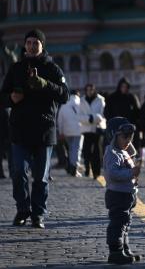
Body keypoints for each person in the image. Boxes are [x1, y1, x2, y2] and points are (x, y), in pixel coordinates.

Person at [0, 29, 69, 228]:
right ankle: (23, 210)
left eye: (35, 43)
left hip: (44, 130)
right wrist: (11, 99)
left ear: (42, 45)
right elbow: (2, 96)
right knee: (18, 172)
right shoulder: (16, 68)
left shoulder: (52, 68)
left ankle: (38, 214)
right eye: (28, 42)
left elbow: (64, 94)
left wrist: (45, 84)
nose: (31, 46)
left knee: (41, 176)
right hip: (20, 130)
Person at [103, 117, 141, 265]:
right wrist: (132, 173)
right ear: (114, 136)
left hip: (127, 195)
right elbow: (113, 174)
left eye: (130, 137)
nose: (128, 140)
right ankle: (115, 251)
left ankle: (124, 247)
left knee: (126, 222)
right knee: (118, 223)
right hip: (117, 195)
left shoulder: (124, 151)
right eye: (125, 137)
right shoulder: (112, 153)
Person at [104, 77, 141, 152]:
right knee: (116, 149)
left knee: (129, 150)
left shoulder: (132, 98)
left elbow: (137, 113)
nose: (124, 88)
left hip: (129, 129)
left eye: (125, 86)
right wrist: (112, 123)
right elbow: (107, 112)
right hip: (116, 130)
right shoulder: (112, 98)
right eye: (122, 86)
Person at [79, 83, 106, 179]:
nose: (89, 92)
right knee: (86, 151)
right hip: (86, 129)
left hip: (97, 129)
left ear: (94, 90)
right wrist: (89, 119)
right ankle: (87, 168)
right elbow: (79, 116)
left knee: (97, 151)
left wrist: (92, 118)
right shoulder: (81, 101)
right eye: (87, 90)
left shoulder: (100, 100)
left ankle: (97, 172)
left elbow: (102, 115)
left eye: (91, 90)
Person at [57, 90, 83, 177]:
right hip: (79, 130)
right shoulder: (81, 103)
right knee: (76, 150)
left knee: (70, 149)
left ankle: (71, 167)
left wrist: (61, 131)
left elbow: (60, 119)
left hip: (67, 131)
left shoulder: (64, 105)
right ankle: (74, 168)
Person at [0, 106, 12, 178]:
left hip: (7, 135)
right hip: (7, 135)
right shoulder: (7, 110)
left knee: (11, 155)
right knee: (11, 155)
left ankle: (11, 173)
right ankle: (11, 173)